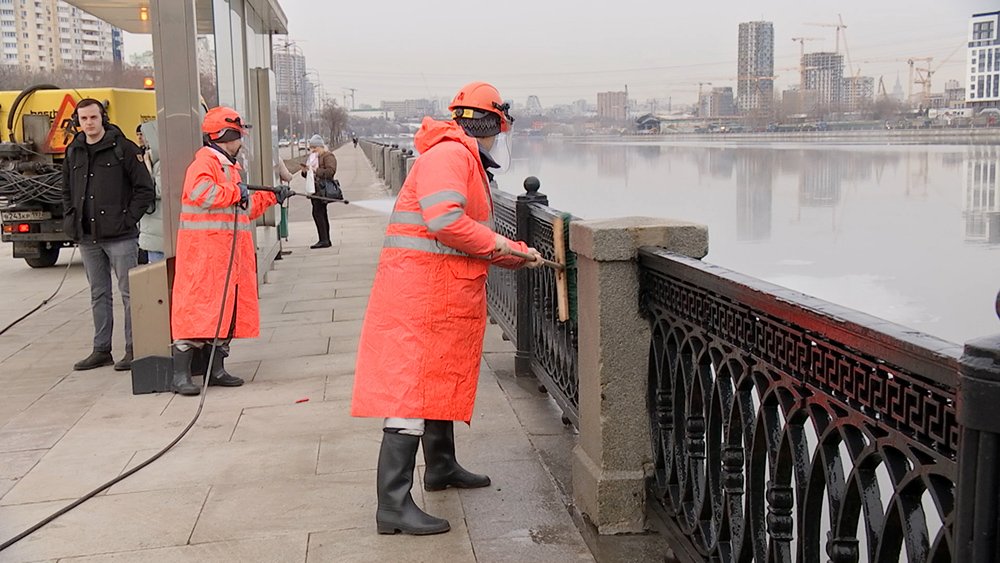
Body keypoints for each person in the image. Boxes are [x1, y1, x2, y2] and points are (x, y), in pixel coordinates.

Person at [351, 81, 542, 536]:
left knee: (433, 380)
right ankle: (393, 506)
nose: (498, 139)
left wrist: (513, 253)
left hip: (437, 291)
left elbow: (462, 233)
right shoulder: (451, 156)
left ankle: (440, 467)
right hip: (420, 295)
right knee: (409, 394)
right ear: (489, 123)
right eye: (498, 128)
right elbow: (446, 222)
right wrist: (505, 245)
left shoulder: (458, 156)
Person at [168, 107, 291, 396]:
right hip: (204, 255)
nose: (241, 142)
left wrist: (271, 197)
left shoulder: (229, 166)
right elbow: (204, 193)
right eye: (238, 136)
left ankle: (216, 369)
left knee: (226, 312)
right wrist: (239, 192)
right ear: (226, 135)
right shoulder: (205, 163)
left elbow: (242, 210)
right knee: (196, 312)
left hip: (228, 254)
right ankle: (181, 376)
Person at [62, 98, 154, 372]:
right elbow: (66, 189)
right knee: (98, 293)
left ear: (102, 118)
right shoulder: (73, 151)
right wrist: (71, 218)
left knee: (129, 293)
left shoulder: (123, 149)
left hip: (121, 237)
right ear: (77, 121)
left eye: (93, 118)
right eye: (83, 119)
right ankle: (101, 349)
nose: (89, 123)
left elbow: (144, 189)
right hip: (87, 237)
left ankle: (133, 348)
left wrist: (127, 219)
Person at [300, 134, 337, 249]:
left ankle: (324, 239)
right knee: (319, 213)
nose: (312, 150)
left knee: (319, 213)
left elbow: (331, 171)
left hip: (322, 189)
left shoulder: (328, 156)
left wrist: (316, 170)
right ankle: (325, 239)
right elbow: (307, 175)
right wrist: (305, 171)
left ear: (321, 147)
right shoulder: (312, 157)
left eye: (314, 147)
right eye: (311, 148)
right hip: (314, 189)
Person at [136, 122, 165, 263]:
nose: (144, 141)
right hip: (152, 230)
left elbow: (158, 190)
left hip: (159, 232)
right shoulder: (153, 160)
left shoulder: (161, 164)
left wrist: (146, 168)